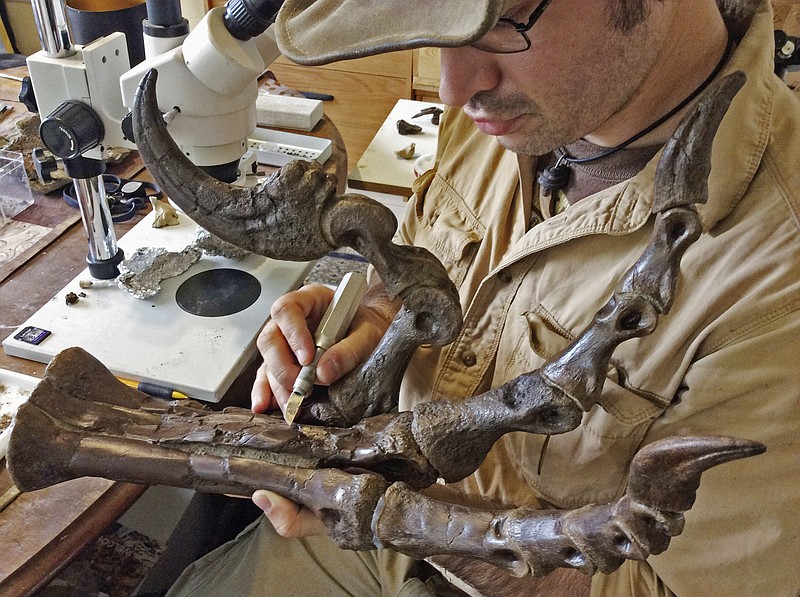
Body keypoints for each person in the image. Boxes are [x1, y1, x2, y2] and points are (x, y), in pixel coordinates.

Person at [168, 0, 800, 595]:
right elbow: (431, 263)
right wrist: (376, 319)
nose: (453, 87)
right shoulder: (517, 111)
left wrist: (406, 521)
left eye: (502, 20)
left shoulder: (776, 281)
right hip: (359, 530)